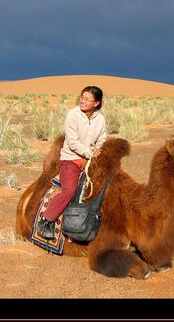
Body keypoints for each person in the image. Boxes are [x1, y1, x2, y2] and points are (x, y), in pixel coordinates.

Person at [37, 86, 107, 239]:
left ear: (96, 103)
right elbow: (73, 142)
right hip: (71, 160)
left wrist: (99, 149)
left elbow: (102, 137)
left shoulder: (100, 119)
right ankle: (46, 220)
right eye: (82, 97)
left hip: (91, 161)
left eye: (87, 99)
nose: (83, 101)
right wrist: (90, 153)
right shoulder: (73, 115)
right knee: (69, 190)